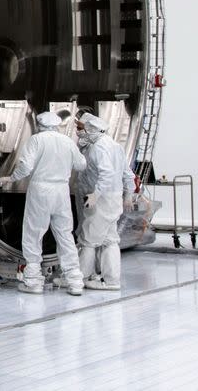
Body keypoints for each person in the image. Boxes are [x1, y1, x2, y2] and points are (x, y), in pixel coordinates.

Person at [0, 111, 86, 295]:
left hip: (40, 190)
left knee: (33, 233)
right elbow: (81, 165)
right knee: (65, 234)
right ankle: (75, 281)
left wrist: (10, 178)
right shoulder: (67, 141)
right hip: (61, 190)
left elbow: (26, 167)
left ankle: (33, 281)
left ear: (40, 125)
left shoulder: (36, 140)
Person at [75, 112, 136, 290]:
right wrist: (128, 194)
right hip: (113, 199)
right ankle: (111, 281)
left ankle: (79, 278)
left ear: (91, 129)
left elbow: (107, 173)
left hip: (100, 200)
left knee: (88, 239)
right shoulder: (114, 145)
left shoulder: (98, 148)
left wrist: (95, 194)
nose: (78, 131)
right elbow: (127, 173)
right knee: (110, 240)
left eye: (80, 128)